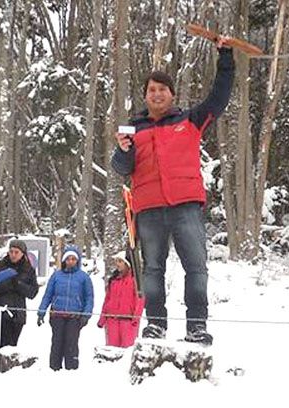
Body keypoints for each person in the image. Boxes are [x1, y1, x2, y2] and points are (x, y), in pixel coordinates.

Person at [110, 36, 235, 345]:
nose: (156, 94)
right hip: (149, 210)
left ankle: (196, 326)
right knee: (152, 269)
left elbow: (219, 98)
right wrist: (124, 150)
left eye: (162, 89)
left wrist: (225, 57)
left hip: (186, 207)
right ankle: (156, 325)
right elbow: (122, 169)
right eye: (151, 90)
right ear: (145, 96)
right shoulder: (133, 129)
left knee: (196, 267)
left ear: (171, 94)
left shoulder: (189, 120)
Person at [37, 245, 94, 371]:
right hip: (57, 315)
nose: (71, 262)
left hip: (75, 316)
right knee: (57, 343)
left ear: (77, 261)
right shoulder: (56, 276)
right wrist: (41, 311)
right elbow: (48, 295)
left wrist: (86, 314)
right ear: (64, 261)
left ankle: (72, 369)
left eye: (74, 259)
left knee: (71, 343)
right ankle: (54, 368)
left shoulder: (84, 277)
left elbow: (89, 297)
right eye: (68, 259)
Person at [0, 239, 39, 348]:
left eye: (16, 252)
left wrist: (18, 284)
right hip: (0, 312)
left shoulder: (28, 269)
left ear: (23, 253)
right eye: (11, 251)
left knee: (11, 346)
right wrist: (8, 284)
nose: (13, 255)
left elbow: (33, 292)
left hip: (18, 314)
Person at [97, 251, 145, 348]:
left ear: (127, 264)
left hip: (128, 321)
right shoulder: (113, 280)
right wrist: (102, 318)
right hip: (112, 321)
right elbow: (107, 300)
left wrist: (135, 319)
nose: (117, 264)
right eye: (116, 261)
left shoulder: (135, 280)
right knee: (111, 351)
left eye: (120, 261)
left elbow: (140, 300)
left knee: (126, 351)